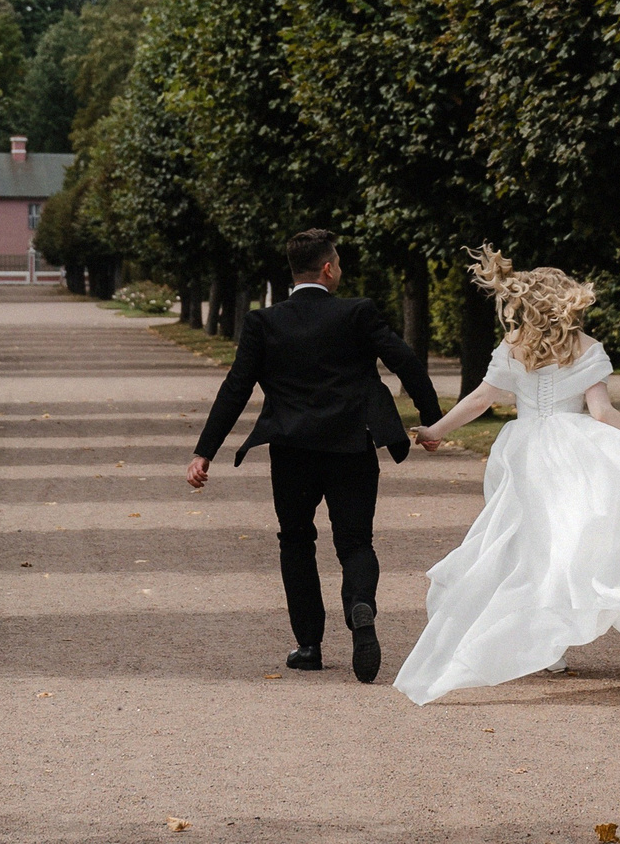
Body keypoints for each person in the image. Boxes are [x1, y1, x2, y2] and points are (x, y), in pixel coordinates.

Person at [393, 247, 620, 706]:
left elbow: (481, 401)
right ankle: (551, 637)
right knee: (570, 542)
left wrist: (436, 430)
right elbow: (602, 413)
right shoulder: (587, 348)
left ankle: (540, 643)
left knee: (528, 543)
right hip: (577, 454)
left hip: (526, 453)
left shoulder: (513, 346)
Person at [186, 227, 441, 683]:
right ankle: (360, 606)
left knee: (296, 541)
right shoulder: (357, 313)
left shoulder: (265, 323)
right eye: (338, 263)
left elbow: (235, 389)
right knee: (356, 543)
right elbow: (404, 360)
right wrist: (431, 419)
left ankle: (309, 645)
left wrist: (205, 451)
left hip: (292, 451)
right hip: (351, 447)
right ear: (327, 268)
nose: (340, 270)